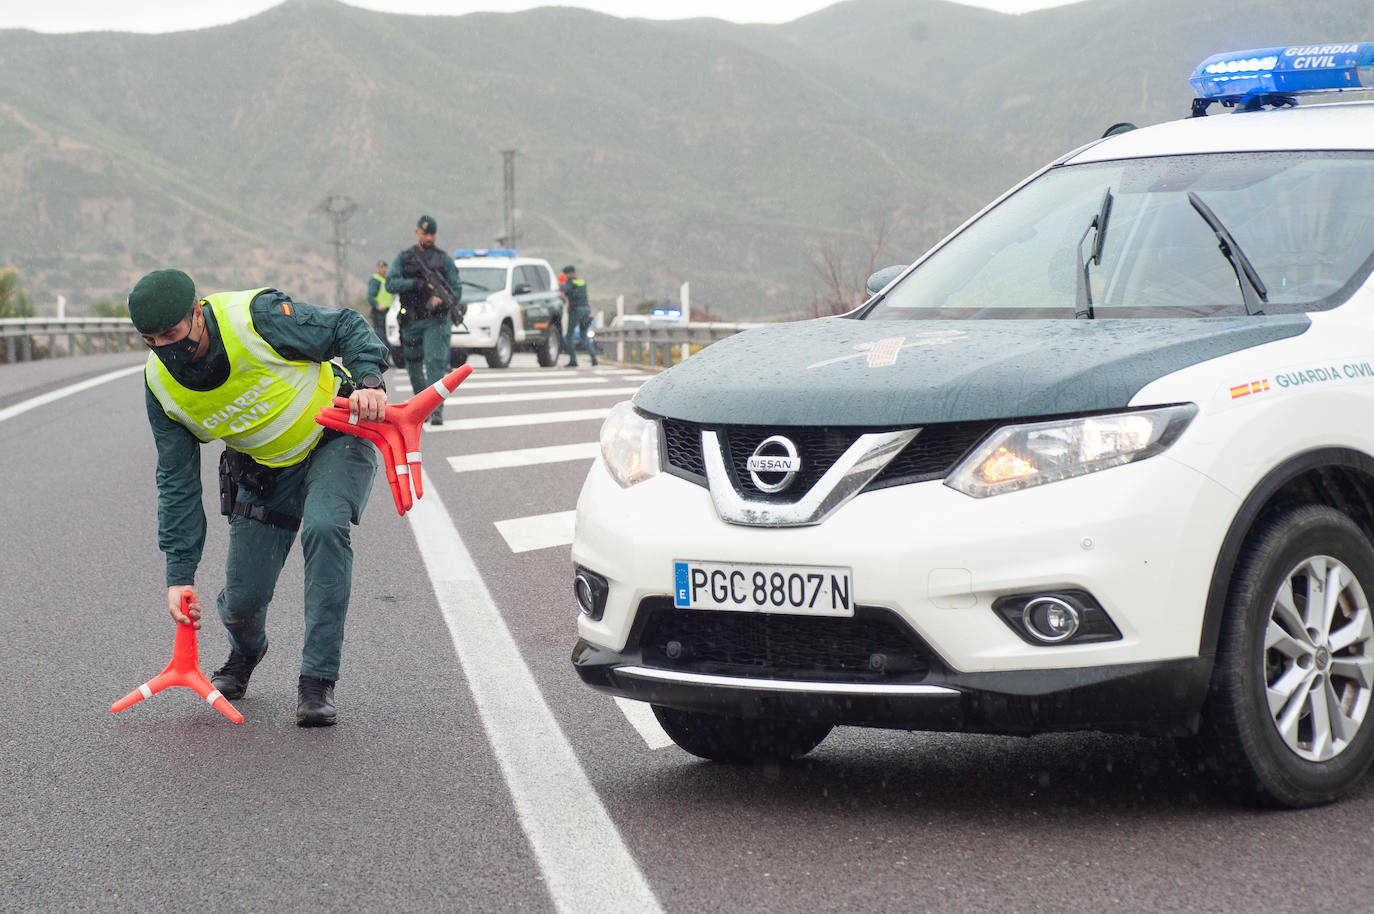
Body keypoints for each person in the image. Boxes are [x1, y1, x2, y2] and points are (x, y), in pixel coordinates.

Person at [127, 268, 390, 727]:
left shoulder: (256, 319)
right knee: (242, 602)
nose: (165, 348)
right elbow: (177, 480)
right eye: (151, 340)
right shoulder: (161, 388)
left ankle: (316, 681)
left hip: (335, 438)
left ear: (198, 312)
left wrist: (369, 380)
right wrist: (180, 574)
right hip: (265, 472)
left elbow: (346, 324)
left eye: (171, 333)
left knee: (325, 526)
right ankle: (246, 652)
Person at [386, 215, 461, 425]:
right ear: (416, 232)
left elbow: (456, 289)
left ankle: (436, 410)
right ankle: (423, 406)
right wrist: (415, 284)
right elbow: (390, 284)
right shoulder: (404, 258)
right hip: (411, 320)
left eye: (432, 234)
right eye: (425, 233)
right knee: (413, 365)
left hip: (436, 321)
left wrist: (442, 300)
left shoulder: (443, 259)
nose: (428, 237)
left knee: (435, 362)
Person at [560, 264, 597, 367]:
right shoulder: (581, 281)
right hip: (586, 310)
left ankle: (573, 360)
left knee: (569, 336)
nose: (565, 276)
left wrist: (561, 285)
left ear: (570, 273)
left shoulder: (570, 281)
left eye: (566, 274)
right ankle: (593, 356)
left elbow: (566, 290)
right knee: (583, 334)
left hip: (576, 311)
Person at [365, 258, 394, 349]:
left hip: (389, 312)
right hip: (379, 313)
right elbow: (370, 296)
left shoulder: (387, 280)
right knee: (380, 335)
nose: (383, 269)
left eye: (384, 267)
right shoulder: (375, 280)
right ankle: (381, 355)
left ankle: (388, 356)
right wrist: (377, 305)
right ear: (378, 268)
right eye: (381, 267)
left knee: (389, 335)